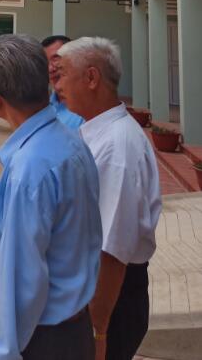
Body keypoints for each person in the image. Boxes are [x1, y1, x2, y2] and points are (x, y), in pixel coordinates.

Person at [0, 34, 102, 360]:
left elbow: (19, 286)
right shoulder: (72, 142)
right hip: (73, 332)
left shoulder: (30, 169)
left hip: (43, 340)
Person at [55, 36, 161, 360]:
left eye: (62, 74)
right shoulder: (98, 132)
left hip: (109, 299)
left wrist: (97, 331)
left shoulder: (118, 148)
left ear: (91, 78)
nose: (57, 86)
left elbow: (111, 251)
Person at [42, 34, 83, 129]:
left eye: (56, 59)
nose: (50, 69)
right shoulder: (43, 108)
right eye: (45, 62)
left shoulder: (89, 109)